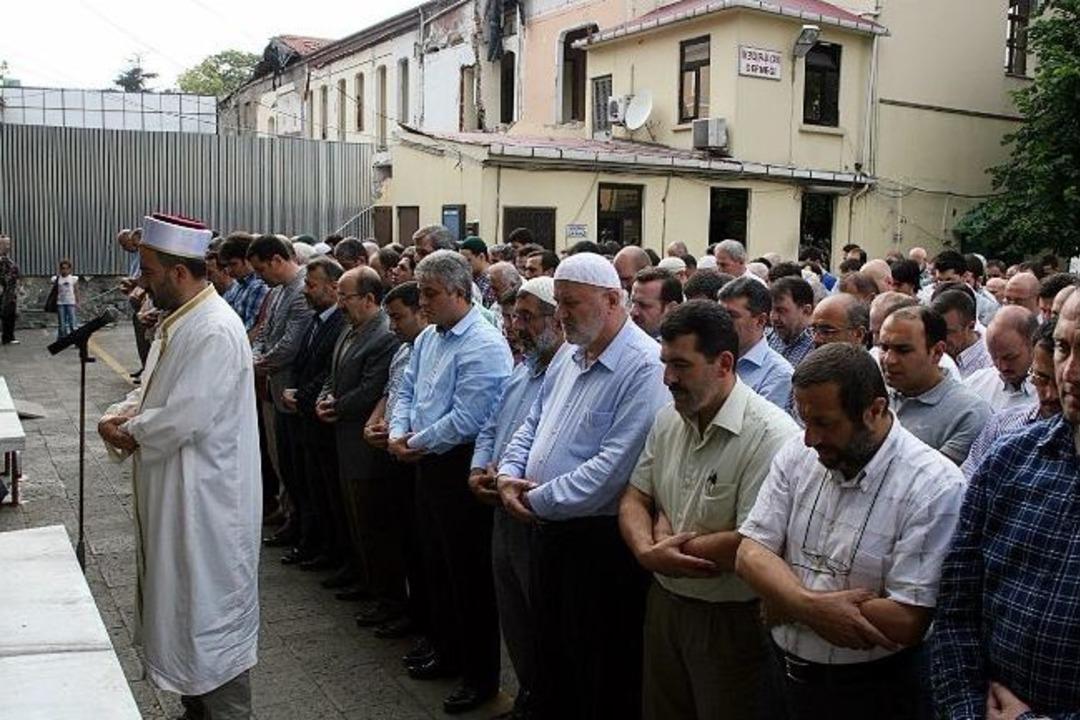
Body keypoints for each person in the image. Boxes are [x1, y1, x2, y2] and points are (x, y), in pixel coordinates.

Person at [736, 343, 965, 720]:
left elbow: (907, 618)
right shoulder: (798, 452)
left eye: (825, 423)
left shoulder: (934, 485)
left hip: (874, 692)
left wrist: (782, 597)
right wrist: (807, 604)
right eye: (804, 419)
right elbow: (750, 553)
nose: (810, 438)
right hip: (782, 678)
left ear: (874, 410)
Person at [97, 213, 261, 718]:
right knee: (185, 608)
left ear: (179, 272)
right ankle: (197, 704)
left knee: (209, 612)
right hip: (180, 492)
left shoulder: (212, 328)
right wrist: (126, 411)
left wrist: (130, 430)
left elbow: (185, 415)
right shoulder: (183, 320)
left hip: (206, 501)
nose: (142, 282)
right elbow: (153, 389)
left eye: (148, 271)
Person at [497, 252, 668, 719]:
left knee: (600, 664)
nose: (562, 316)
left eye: (572, 304)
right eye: (559, 305)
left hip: (600, 543)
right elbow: (533, 421)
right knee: (552, 649)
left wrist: (532, 497)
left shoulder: (644, 366)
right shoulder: (569, 355)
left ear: (613, 300)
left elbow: (614, 467)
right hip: (549, 527)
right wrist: (509, 473)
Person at [620, 300, 800, 720]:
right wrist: (647, 550)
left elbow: (753, 540)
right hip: (665, 603)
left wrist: (667, 547)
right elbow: (634, 497)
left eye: (680, 365)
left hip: (729, 620)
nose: (667, 378)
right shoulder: (669, 418)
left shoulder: (771, 436)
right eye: (665, 362)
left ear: (723, 363)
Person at [932, 292, 1080, 719]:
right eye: (1064, 348)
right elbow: (957, 608)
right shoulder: (1010, 458)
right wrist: (965, 710)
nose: (1071, 371)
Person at [389, 250, 512, 714]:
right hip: (425, 457)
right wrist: (400, 431)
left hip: (458, 464)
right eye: (420, 292)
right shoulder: (430, 339)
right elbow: (408, 390)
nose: (422, 302)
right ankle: (446, 649)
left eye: (430, 293)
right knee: (435, 564)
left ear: (460, 292)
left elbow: (471, 416)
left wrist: (415, 440)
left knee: (468, 577)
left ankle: (479, 676)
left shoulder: (482, 342)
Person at [468, 277, 562, 720]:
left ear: (555, 319)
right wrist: (480, 468)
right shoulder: (522, 369)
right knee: (514, 616)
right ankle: (529, 695)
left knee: (540, 620)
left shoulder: (564, 373)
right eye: (512, 316)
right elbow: (491, 426)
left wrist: (508, 477)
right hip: (500, 507)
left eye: (525, 317)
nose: (514, 326)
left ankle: (544, 699)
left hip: (531, 512)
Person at [318, 268, 402, 625]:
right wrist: (325, 395)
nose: (339, 304)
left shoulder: (382, 336)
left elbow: (371, 390)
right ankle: (366, 581)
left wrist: (336, 405)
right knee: (353, 518)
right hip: (345, 439)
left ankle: (388, 597)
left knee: (374, 525)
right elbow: (333, 374)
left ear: (369, 299)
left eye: (345, 297)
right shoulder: (350, 329)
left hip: (365, 447)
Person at [363, 281, 431, 642]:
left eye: (398, 317)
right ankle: (401, 607)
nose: (392, 326)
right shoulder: (406, 347)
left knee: (416, 545)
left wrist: (397, 433)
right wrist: (377, 421)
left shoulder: (427, 345)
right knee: (393, 535)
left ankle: (418, 616)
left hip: (411, 451)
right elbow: (394, 391)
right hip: (392, 443)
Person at [248, 236, 315, 556]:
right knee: (284, 462)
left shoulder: (302, 292)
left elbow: (291, 344)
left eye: (262, 269)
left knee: (296, 467)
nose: (260, 277)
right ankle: (292, 517)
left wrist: (258, 363)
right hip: (274, 385)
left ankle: (300, 523)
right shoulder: (276, 293)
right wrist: (257, 357)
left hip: (289, 387)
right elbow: (265, 333)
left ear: (277, 259)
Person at [282, 257, 348, 573]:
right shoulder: (316, 318)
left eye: (311, 285)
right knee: (308, 487)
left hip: (320, 422)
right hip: (305, 417)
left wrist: (304, 397)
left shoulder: (340, 323)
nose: (306, 291)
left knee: (328, 495)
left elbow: (326, 373)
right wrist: (292, 389)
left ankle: (332, 551)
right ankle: (313, 543)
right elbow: (301, 363)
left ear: (333, 287)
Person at [879, 306, 991, 464]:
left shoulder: (969, 413)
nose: (889, 360)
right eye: (884, 348)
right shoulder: (872, 395)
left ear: (937, 352)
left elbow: (930, 481)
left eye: (903, 350)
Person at [960, 318, 1061, 479]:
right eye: (1041, 378)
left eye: (1061, 382)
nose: (1050, 394)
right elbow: (968, 481)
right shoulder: (1001, 425)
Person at [719, 277, 794, 411]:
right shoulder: (709, 358)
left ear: (760, 321)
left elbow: (757, 428)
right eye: (720, 314)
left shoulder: (778, 374)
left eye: (732, 315)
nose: (722, 322)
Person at [962, 305, 1038, 414]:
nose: (1002, 366)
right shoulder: (975, 386)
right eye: (994, 357)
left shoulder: (1052, 396)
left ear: (1033, 346)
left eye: (1010, 358)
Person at [931, 288, 992, 379]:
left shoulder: (991, 364)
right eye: (934, 331)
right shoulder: (931, 354)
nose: (939, 338)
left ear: (971, 326)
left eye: (948, 332)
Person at [217, 233, 270, 332]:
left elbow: (252, 328)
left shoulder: (258, 287)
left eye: (233, 264)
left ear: (248, 260)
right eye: (226, 266)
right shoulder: (236, 286)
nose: (229, 270)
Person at [768, 276, 816, 367]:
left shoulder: (817, 347)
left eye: (781, 310)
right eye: (771, 310)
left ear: (806, 310)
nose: (773, 317)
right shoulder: (768, 338)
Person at [630, 267, 684, 339]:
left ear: (672, 309)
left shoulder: (687, 347)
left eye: (643, 305)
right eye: (633, 302)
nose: (633, 312)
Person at [460, 236, 496, 307]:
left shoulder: (493, 280)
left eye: (468, 260)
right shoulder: (468, 279)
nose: (465, 264)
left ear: (481, 257)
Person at [52, 258, 80, 340]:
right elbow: (54, 291)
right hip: (60, 303)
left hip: (71, 302)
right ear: (60, 269)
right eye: (63, 268)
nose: (65, 270)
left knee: (72, 323)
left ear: (70, 269)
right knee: (62, 323)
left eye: (67, 268)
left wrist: (78, 302)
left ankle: (76, 339)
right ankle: (62, 338)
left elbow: (76, 291)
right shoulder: (56, 279)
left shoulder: (73, 279)